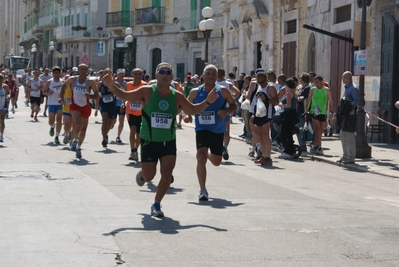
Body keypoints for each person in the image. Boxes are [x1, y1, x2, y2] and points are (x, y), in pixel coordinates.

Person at [103, 62, 219, 218]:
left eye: (168, 72)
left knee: (167, 173)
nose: (165, 74)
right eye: (161, 71)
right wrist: (112, 86)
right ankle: (143, 174)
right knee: (150, 176)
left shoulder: (176, 95)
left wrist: (208, 102)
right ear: (156, 75)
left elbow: (192, 109)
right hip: (149, 140)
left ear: (171, 77)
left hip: (168, 141)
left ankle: (156, 203)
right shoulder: (147, 91)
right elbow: (125, 96)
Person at [184, 64, 237, 201]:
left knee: (216, 162)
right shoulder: (195, 92)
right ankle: (202, 190)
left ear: (217, 76)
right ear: (203, 75)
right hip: (202, 129)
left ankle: (207, 153)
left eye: (213, 74)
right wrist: (188, 115)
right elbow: (187, 106)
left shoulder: (223, 91)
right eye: (208, 73)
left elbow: (234, 105)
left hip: (217, 130)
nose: (210, 76)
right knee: (200, 158)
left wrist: (226, 112)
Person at [59, 64, 98, 159]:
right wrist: (61, 97)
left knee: (83, 130)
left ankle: (78, 147)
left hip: (85, 106)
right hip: (75, 105)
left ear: (87, 70)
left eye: (85, 69)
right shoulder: (73, 79)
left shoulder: (91, 82)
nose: (83, 70)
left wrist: (91, 96)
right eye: (81, 69)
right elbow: (64, 85)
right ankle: (75, 140)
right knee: (77, 124)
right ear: (79, 70)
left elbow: (96, 95)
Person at [251, 71, 278, 165]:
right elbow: (256, 102)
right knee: (260, 135)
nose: (260, 84)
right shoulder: (258, 87)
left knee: (265, 134)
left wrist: (266, 99)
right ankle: (263, 155)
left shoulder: (270, 88)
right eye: (259, 82)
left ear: (266, 79)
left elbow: (276, 101)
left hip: (267, 114)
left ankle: (268, 157)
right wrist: (253, 114)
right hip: (258, 114)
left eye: (262, 82)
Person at [215, 68, 240, 160]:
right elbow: (238, 92)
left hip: (215, 109)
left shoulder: (214, 84)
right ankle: (225, 146)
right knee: (226, 132)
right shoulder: (228, 84)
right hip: (226, 109)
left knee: (216, 130)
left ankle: (218, 148)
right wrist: (230, 96)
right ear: (224, 75)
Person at [306, 75, 334, 155]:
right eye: (315, 83)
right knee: (318, 129)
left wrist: (332, 111)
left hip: (323, 112)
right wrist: (307, 111)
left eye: (317, 82)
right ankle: (320, 147)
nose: (316, 84)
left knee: (321, 131)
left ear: (322, 82)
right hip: (314, 112)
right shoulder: (312, 90)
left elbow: (331, 101)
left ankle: (314, 145)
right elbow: (308, 100)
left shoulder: (327, 90)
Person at [337, 71, 359, 164]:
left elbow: (357, 101)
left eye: (343, 78)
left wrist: (349, 108)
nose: (342, 79)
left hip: (350, 115)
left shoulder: (353, 88)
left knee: (349, 136)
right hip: (345, 115)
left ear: (347, 78)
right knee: (343, 135)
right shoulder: (347, 88)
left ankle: (351, 156)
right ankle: (345, 155)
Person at [125, 68, 146, 161]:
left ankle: (135, 150)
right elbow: (125, 95)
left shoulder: (145, 86)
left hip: (142, 113)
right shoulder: (128, 85)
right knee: (132, 130)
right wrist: (123, 102)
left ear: (142, 76)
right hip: (131, 111)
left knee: (139, 134)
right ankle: (132, 150)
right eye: (136, 74)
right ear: (132, 75)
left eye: (139, 74)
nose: (137, 76)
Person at [277, 78, 299, 158]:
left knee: (284, 133)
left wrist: (280, 104)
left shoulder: (289, 93)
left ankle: (287, 151)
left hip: (288, 114)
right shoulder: (293, 92)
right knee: (288, 134)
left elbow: (288, 105)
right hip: (291, 114)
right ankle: (290, 150)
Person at [94, 69, 116, 148]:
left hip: (112, 105)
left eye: (108, 73)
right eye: (105, 73)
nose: (106, 75)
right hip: (103, 104)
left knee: (110, 123)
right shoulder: (100, 84)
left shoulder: (114, 84)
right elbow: (97, 96)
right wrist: (96, 109)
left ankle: (106, 134)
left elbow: (120, 92)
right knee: (105, 120)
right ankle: (104, 138)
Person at [42, 66, 63, 144]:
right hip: (51, 103)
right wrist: (48, 93)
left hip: (60, 103)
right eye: (55, 73)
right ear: (53, 74)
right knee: (51, 121)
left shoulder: (62, 81)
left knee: (59, 120)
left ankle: (57, 136)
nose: (57, 74)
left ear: (60, 73)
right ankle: (52, 126)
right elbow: (43, 92)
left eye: (58, 73)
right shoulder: (49, 82)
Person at [296, 73, 311, 151]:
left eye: (300, 78)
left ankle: (302, 145)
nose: (300, 80)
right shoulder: (302, 88)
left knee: (300, 129)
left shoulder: (307, 88)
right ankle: (301, 144)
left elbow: (301, 98)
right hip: (299, 111)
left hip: (303, 111)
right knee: (299, 128)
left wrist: (295, 96)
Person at [113, 69, 127, 143]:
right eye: (120, 74)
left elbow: (126, 94)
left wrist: (123, 103)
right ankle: (111, 125)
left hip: (122, 104)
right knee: (113, 121)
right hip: (114, 104)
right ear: (117, 75)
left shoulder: (126, 84)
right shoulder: (114, 83)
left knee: (121, 121)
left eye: (122, 74)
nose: (121, 75)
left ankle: (118, 136)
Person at [0, 74, 10, 142]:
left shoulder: (5, 86)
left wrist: (8, 96)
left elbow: (8, 93)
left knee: (2, 120)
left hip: (3, 106)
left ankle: (1, 135)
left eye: (1, 78)